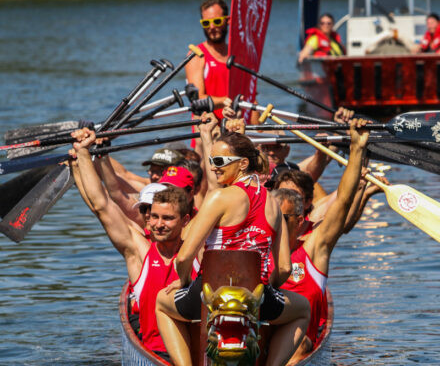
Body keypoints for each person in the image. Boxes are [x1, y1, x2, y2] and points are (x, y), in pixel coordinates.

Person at [155, 127, 311, 366]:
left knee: (161, 303)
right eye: (210, 161)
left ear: (242, 164)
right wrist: (267, 290)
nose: (214, 167)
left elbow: (184, 256)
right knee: (303, 309)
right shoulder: (273, 203)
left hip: (211, 295)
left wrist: (184, 281)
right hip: (254, 298)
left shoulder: (220, 197)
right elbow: (284, 268)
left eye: (219, 161)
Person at [69, 128, 199, 361]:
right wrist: (85, 154)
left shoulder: (199, 249)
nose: (158, 225)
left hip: (197, 354)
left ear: (186, 220)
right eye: (154, 217)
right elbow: (101, 205)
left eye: (168, 218)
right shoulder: (140, 252)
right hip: (157, 354)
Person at [272, 118, 370, 362]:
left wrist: (357, 149)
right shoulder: (258, 247)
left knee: (300, 344)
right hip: (262, 339)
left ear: (299, 219)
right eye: (272, 218)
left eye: (283, 219)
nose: (275, 226)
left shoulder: (315, 246)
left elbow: (343, 202)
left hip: (299, 346)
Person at [185, 0, 231, 120]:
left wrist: (259, 130)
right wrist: (228, 100)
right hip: (210, 125)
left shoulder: (237, 54)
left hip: (236, 125)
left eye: (216, 21)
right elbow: (198, 99)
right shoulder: (196, 55)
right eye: (206, 23)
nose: (211, 27)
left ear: (228, 21)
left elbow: (251, 98)